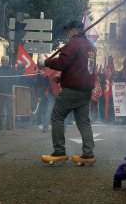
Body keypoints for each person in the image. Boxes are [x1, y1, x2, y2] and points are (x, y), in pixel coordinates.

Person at [40, 20, 97, 165]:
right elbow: (81, 68)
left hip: (72, 90)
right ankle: (88, 154)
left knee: (57, 116)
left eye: (68, 31)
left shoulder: (73, 44)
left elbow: (62, 63)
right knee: (84, 122)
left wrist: (46, 62)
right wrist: (64, 77)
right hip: (85, 90)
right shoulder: (91, 46)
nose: (67, 34)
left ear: (72, 30)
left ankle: (59, 151)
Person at [0, 56, 15, 130]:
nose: (5, 61)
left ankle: (9, 126)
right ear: (1, 61)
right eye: (3, 60)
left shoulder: (12, 70)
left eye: (6, 60)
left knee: (10, 110)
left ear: (8, 61)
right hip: (0, 92)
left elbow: (15, 80)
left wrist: (13, 91)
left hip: (9, 92)